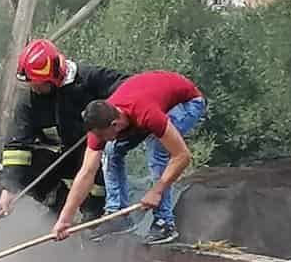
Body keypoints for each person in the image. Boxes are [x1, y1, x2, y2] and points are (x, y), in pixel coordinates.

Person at [53, 71, 207, 246]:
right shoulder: (100, 125)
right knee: (110, 151)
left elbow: (182, 156)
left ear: (115, 125)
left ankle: (164, 223)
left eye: (104, 136)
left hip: (186, 102)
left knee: (159, 149)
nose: (101, 140)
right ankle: (118, 215)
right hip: (147, 104)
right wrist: (65, 219)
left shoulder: (147, 113)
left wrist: (156, 191)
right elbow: (87, 172)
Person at [0, 38, 129, 219]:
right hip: (60, 157)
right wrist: (9, 188)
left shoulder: (89, 79)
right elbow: (17, 144)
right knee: (4, 170)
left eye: (39, 84)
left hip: (93, 155)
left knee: (97, 181)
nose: (34, 88)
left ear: (55, 78)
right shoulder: (30, 101)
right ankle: (57, 204)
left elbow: (130, 89)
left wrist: (107, 118)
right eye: (31, 84)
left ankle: (93, 218)